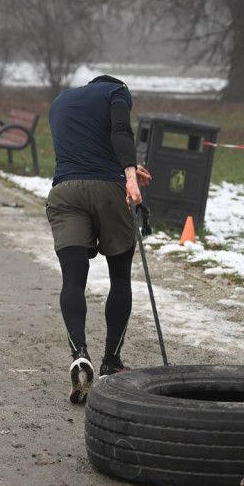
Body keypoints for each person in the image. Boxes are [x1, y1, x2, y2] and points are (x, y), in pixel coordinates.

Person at [45, 74, 152, 404]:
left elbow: (86, 144)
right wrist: (129, 173)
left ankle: (79, 352)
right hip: (108, 191)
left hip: (65, 192)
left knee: (73, 282)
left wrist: (128, 167)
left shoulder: (61, 100)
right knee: (119, 277)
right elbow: (121, 132)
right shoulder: (117, 91)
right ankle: (111, 362)